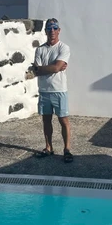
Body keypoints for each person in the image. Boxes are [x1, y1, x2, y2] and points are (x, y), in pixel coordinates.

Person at [26, 18, 73, 163]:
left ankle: (67, 150)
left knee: (63, 121)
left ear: (59, 30)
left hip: (59, 90)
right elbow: (41, 70)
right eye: (49, 28)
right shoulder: (40, 49)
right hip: (44, 91)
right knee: (46, 121)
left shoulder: (63, 48)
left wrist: (45, 68)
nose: (52, 31)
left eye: (54, 28)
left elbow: (52, 68)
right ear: (45, 31)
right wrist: (53, 67)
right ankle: (49, 148)